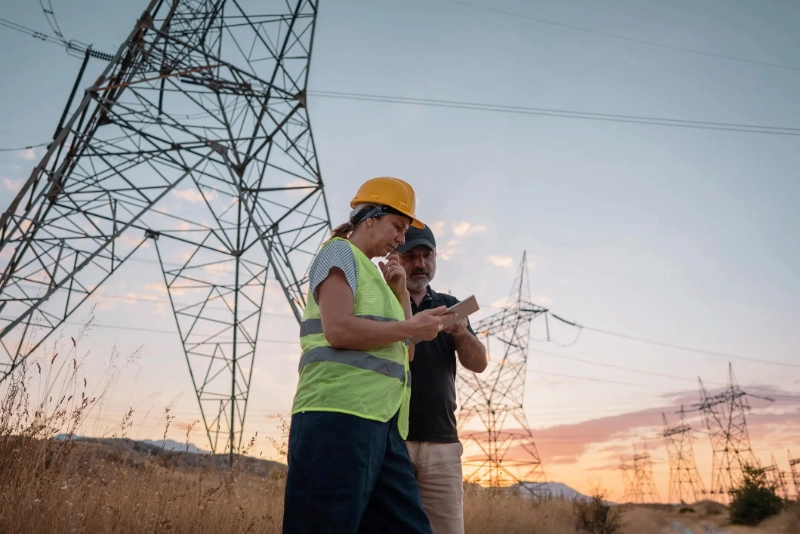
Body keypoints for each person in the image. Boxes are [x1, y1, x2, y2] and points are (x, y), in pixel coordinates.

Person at [283, 176, 453, 534]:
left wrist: (401, 292)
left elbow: (407, 353)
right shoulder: (339, 253)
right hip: (337, 417)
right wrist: (410, 326)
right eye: (398, 226)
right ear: (370, 218)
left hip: (383, 425)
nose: (402, 239)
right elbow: (338, 330)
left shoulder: (382, 282)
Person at [396, 225, 488, 534]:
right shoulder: (383, 301)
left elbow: (479, 363)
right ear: (396, 257)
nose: (420, 263)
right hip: (392, 438)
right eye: (411, 256)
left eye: (427, 255)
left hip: (442, 442)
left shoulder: (449, 304)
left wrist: (460, 332)